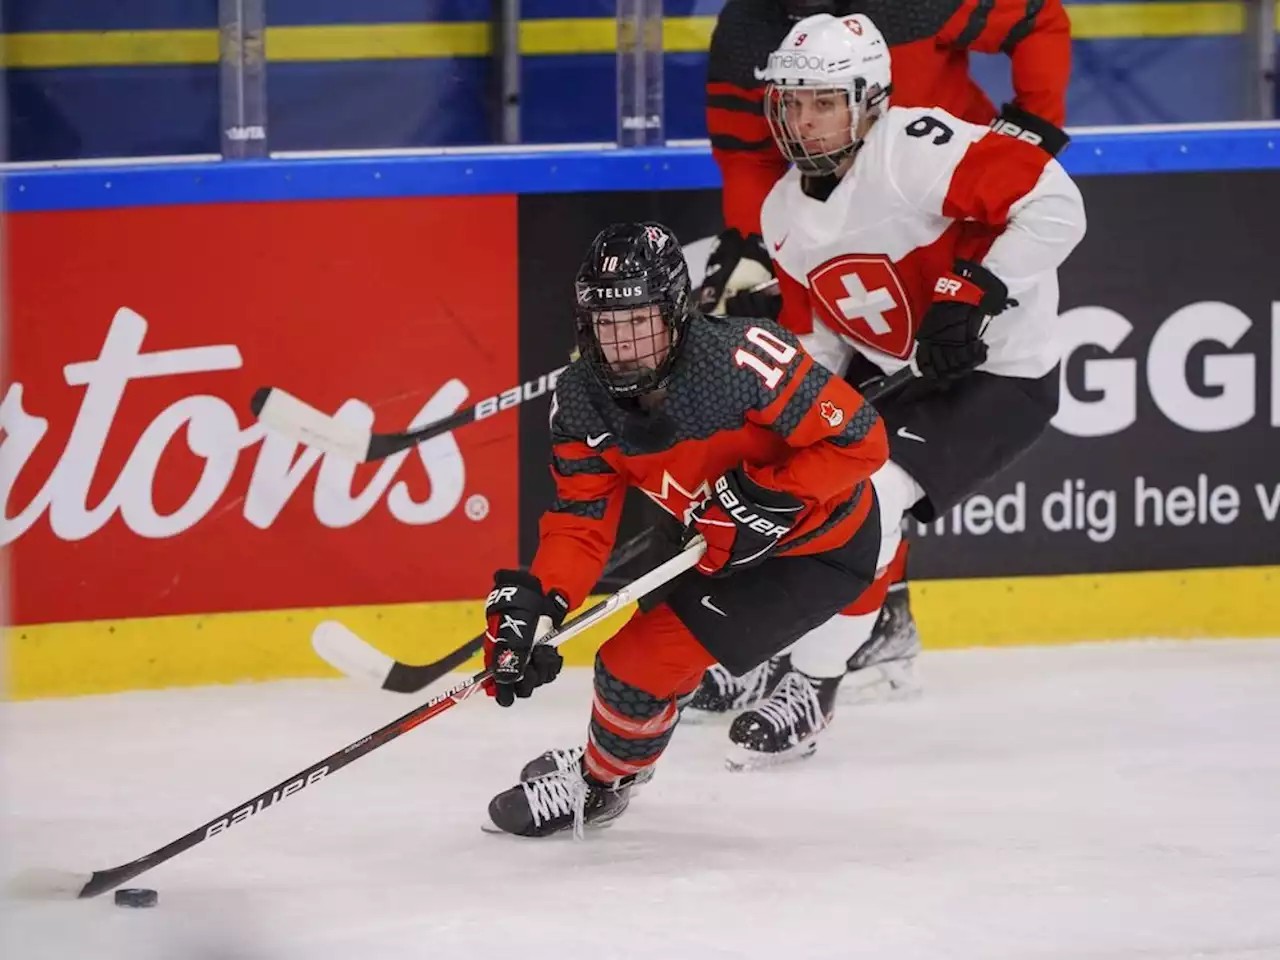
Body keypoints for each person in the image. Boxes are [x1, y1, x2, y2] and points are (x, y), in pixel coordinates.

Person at [695, 11, 1085, 761]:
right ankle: (761, 650)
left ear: (869, 99)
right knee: (782, 477)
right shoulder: (782, 213)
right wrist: (780, 409)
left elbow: (1056, 202)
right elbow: (822, 340)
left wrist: (976, 289)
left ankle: (814, 684)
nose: (803, 122)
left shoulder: (917, 149)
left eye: (823, 102)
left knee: (868, 496)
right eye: (792, 102)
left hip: (1000, 375)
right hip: (903, 371)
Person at [480, 221, 891, 837]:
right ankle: (621, 758)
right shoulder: (578, 402)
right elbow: (580, 523)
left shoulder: (744, 359)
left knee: (631, 667)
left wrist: (767, 495)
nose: (622, 343)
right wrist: (545, 601)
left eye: (638, 321)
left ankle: (600, 784)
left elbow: (862, 440)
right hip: (715, 544)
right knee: (635, 674)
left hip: (817, 548)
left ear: (675, 312)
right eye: (606, 324)